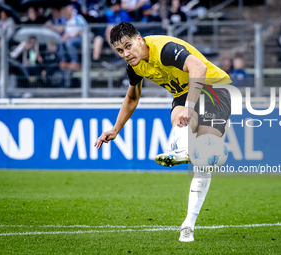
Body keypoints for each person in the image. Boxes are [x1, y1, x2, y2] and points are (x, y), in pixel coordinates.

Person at [94, 21, 231, 242]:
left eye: (128, 46)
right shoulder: (135, 66)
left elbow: (199, 69)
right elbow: (132, 97)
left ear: (140, 39)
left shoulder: (165, 49)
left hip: (214, 88)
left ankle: (191, 150)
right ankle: (188, 225)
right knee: (187, 133)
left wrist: (190, 105)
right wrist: (115, 129)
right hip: (185, 92)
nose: (125, 54)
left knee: (201, 151)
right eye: (120, 51)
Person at [59, 4, 87, 70]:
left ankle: (75, 62)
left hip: (82, 38)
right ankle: (63, 61)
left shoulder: (78, 17)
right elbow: (66, 33)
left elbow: (80, 30)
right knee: (60, 42)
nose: (67, 12)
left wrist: (70, 37)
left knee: (69, 42)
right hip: (72, 38)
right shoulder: (67, 22)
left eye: (68, 10)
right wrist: (62, 39)